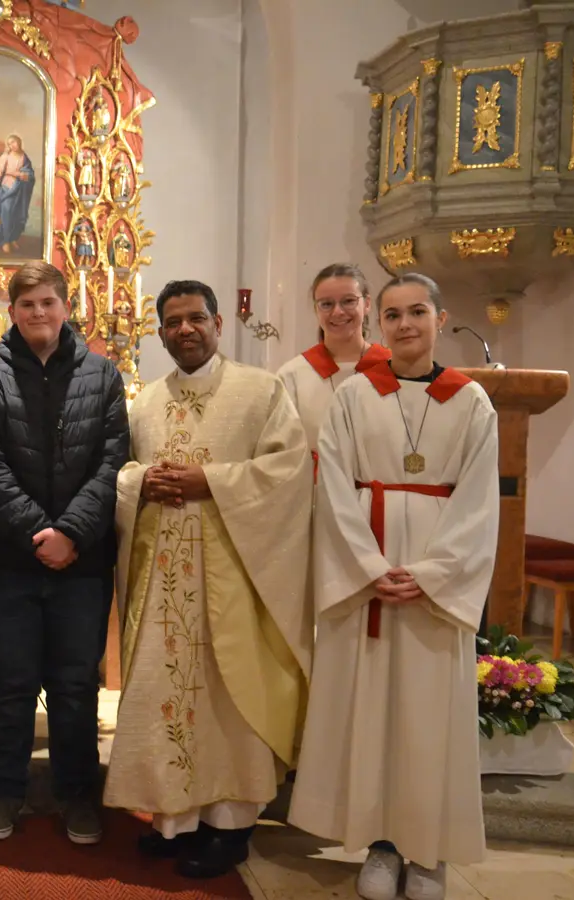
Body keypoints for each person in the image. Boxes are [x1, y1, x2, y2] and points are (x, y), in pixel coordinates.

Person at [288, 273, 500, 900]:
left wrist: (432, 576)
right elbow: (333, 489)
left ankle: (428, 852)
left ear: (440, 317)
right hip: (370, 581)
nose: (405, 325)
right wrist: (371, 569)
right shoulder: (354, 396)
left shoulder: (471, 402)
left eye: (417, 312)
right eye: (393, 314)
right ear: (377, 323)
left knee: (431, 718)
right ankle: (381, 844)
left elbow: (480, 501)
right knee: (376, 715)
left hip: (435, 582)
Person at [104, 280, 314, 879]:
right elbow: (121, 474)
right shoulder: (142, 403)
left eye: (196, 318)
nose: (185, 330)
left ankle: (230, 826)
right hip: (164, 581)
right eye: (172, 322)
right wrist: (142, 481)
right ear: (161, 332)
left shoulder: (261, 390)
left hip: (235, 576)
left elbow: (289, 471)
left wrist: (211, 482)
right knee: (167, 694)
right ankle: (176, 819)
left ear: (219, 323)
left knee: (230, 697)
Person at [0, 260, 130, 845]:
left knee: (76, 683)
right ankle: (5, 791)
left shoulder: (103, 375)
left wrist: (73, 534)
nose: (38, 313)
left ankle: (77, 794)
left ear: (65, 307)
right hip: (8, 558)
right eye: (27, 304)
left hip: (81, 560)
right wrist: (40, 533)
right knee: (10, 679)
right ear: (11, 311)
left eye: (48, 303)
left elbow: (113, 462)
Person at [277, 263, 392, 452]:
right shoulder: (292, 376)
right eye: (326, 304)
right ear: (316, 310)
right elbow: (283, 451)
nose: (338, 312)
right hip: (316, 480)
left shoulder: (392, 367)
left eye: (348, 301)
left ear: (368, 304)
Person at [0, 134, 35, 254]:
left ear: (19, 142)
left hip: (19, 191)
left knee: (16, 216)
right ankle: (5, 241)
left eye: (14, 142)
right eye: (10, 143)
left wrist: (21, 175)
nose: (12, 145)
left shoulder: (24, 157)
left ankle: (12, 238)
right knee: (6, 215)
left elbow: (30, 174)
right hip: (6, 188)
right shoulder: (6, 156)